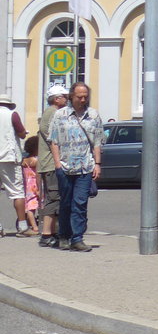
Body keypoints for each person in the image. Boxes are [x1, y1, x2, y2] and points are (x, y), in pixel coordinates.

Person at [50, 81, 105, 252]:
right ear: (71, 96)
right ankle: (64, 236)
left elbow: (97, 142)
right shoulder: (60, 115)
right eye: (79, 97)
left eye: (85, 97)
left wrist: (97, 164)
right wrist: (58, 164)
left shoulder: (93, 115)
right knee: (66, 203)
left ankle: (77, 238)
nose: (82, 100)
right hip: (65, 166)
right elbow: (54, 140)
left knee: (80, 203)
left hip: (85, 167)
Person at [38, 84, 70, 248]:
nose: (67, 99)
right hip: (51, 163)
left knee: (56, 197)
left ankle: (54, 232)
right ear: (57, 98)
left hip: (51, 163)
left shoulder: (51, 113)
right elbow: (53, 138)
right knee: (53, 197)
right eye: (65, 96)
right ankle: (46, 235)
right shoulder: (52, 113)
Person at [0, 94, 30, 238]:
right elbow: (22, 133)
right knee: (17, 192)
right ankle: (23, 226)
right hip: (9, 157)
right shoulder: (12, 115)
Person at [20, 136, 40, 236]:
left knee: (29, 206)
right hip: (34, 185)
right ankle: (35, 227)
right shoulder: (35, 161)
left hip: (27, 185)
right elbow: (37, 175)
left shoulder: (25, 160)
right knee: (32, 207)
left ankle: (31, 224)